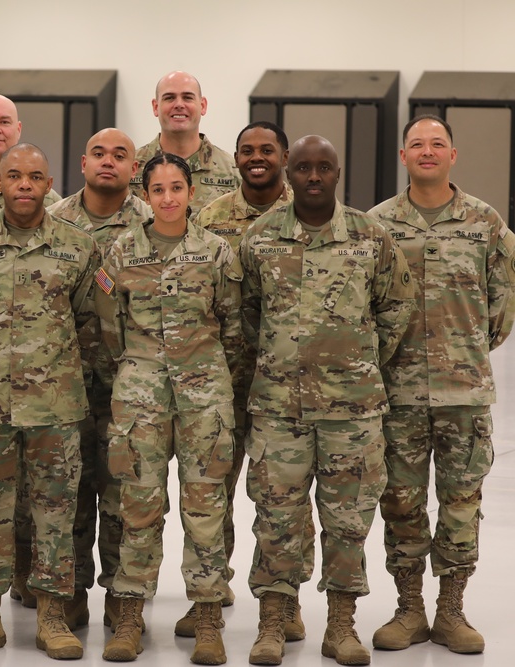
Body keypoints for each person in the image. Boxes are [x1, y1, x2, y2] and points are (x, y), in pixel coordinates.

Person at [239, 135, 414, 666]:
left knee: (348, 522)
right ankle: (273, 622)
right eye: (303, 167)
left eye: (324, 167)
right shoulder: (259, 238)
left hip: (352, 411)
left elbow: (396, 307)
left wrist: (356, 360)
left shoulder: (370, 236)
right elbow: (244, 313)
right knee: (276, 519)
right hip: (278, 410)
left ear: (338, 174)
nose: (313, 176)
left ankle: (341, 626)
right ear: (288, 174)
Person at [0, 143, 101, 660]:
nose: (25, 184)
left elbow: (89, 322)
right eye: (14, 175)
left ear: (49, 183)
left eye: (35, 176)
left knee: (55, 513)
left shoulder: (78, 247)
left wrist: (58, 370)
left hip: (56, 406)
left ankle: (52, 615)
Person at [368, 115, 515, 655]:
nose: (426, 151)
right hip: (397, 395)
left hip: (464, 394)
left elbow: (502, 304)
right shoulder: (377, 225)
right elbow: (366, 304)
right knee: (400, 502)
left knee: (461, 502)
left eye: (437, 144)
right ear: (403, 156)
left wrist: (464, 348)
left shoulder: (485, 222)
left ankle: (451, 610)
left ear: (453, 155)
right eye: (417, 144)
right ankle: (409, 609)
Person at [97, 153, 243, 665]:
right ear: (145, 195)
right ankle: (129, 616)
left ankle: (207, 617)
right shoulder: (122, 251)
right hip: (141, 398)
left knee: (205, 510)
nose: (168, 198)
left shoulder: (217, 252)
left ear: (191, 192)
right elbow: (110, 325)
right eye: (157, 189)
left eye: (176, 187)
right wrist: (140, 369)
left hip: (204, 397)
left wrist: (203, 369)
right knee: (138, 507)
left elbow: (232, 326)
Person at [175, 121, 307, 642]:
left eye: (267, 150)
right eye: (247, 151)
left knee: (286, 497)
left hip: (288, 385)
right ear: (235, 159)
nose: (257, 158)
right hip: (221, 382)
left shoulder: (308, 211)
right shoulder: (210, 218)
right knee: (212, 492)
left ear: (284, 157)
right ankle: (212, 591)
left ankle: (287, 599)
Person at [47, 128, 151, 630]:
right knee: (66, 492)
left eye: (120, 155)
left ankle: (120, 593)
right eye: (98, 154)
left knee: (123, 494)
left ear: (135, 167)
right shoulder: (54, 221)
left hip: (128, 386)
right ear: (83, 163)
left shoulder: (153, 224)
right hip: (61, 383)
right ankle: (68, 590)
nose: (108, 162)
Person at [130, 71, 239, 218]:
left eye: (187, 97)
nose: (179, 105)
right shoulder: (130, 169)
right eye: (169, 98)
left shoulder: (233, 171)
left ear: (203, 106)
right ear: (155, 107)